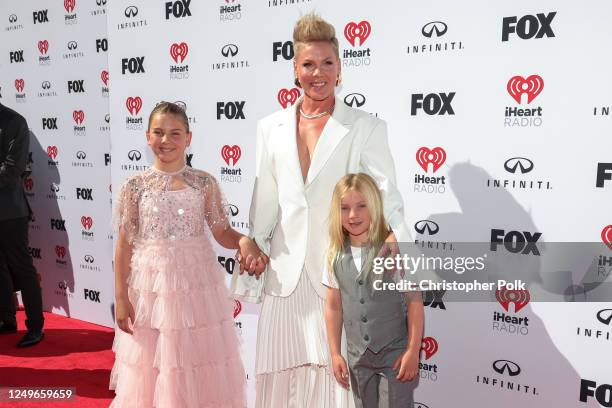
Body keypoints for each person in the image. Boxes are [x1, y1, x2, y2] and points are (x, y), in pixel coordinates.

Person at [237, 12, 413, 407]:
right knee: (281, 378)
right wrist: (256, 243)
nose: (319, 73)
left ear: (340, 69)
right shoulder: (270, 128)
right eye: (308, 64)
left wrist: (394, 237)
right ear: (295, 71)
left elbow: (387, 194)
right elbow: (265, 200)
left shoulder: (365, 127)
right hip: (284, 273)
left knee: (337, 383)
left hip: (337, 273)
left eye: (327, 63)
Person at [109, 102, 263, 407]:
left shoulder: (204, 183)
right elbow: (124, 245)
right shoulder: (135, 187)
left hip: (196, 287)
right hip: (152, 289)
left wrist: (244, 240)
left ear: (188, 138)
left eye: (175, 133)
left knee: (196, 359)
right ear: (147, 136)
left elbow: (221, 232)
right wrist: (122, 298)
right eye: (159, 132)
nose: (166, 140)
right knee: (152, 362)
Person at [323, 173, 423, 408]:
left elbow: (414, 302)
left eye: (361, 206)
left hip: (396, 355)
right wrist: (335, 353)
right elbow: (333, 307)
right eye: (344, 208)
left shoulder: (394, 250)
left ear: (375, 206)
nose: (353, 215)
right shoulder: (334, 255)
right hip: (358, 357)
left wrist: (413, 350)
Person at [0, 102, 44, 347]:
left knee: (22, 269)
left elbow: (12, 169)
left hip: (10, 212)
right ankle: (6, 319)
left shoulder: (14, 121)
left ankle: (36, 327)